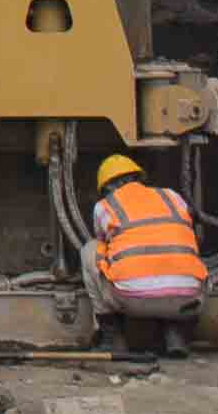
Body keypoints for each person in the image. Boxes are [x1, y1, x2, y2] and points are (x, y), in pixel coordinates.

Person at [84, 150, 206, 360]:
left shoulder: (105, 206)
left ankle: (112, 337)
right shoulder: (172, 196)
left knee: (91, 250)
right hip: (190, 299)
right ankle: (175, 333)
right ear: (139, 178)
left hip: (130, 299)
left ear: (105, 188)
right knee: (182, 249)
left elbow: (104, 242)